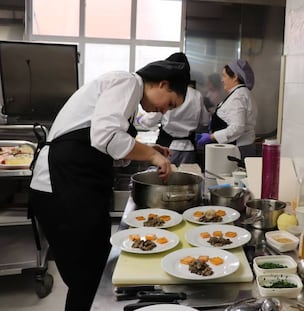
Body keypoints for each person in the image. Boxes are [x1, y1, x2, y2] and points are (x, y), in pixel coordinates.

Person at [28, 60, 190, 311]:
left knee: (91, 273)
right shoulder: (126, 82)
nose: (163, 112)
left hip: (77, 186)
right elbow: (105, 136)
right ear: (162, 84)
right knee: (86, 279)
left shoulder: (129, 94)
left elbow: (106, 146)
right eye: (169, 104)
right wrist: (150, 155)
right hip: (61, 185)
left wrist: (147, 150)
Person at [137, 52, 210, 166]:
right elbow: (205, 121)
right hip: (189, 148)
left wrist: (140, 120)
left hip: (167, 146)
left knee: (164, 179)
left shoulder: (167, 93)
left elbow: (150, 121)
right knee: (185, 179)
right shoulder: (197, 95)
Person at [196, 59, 257, 160]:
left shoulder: (238, 96)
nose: (222, 80)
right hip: (241, 147)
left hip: (239, 149)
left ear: (235, 77)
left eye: (224, 76)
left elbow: (237, 127)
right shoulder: (240, 93)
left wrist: (212, 137)